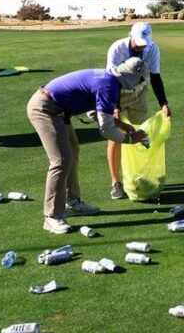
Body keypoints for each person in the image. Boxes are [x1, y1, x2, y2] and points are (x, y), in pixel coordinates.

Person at [27, 58, 149, 234]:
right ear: (132, 78)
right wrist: (130, 139)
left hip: (57, 109)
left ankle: (72, 202)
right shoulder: (109, 86)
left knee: (72, 150)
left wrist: (121, 125)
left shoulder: (109, 79)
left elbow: (95, 113)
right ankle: (52, 216)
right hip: (45, 109)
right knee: (61, 160)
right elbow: (106, 130)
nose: (140, 84)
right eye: (140, 79)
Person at [104, 22, 171, 200]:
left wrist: (163, 103)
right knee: (115, 136)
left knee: (140, 134)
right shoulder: (117, 49)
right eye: (139, 42)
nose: (142, 46)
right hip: (117, 93)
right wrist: (115, 107)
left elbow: (155, 77)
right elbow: (110, 81)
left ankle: (138, 177)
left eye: (145, 43)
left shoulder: (152, 49)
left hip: (139, 94)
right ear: (131, 36)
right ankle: (116, 183)